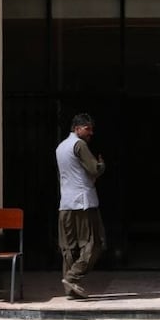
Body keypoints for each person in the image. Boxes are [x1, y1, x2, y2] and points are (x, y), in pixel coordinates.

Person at [55, 113, 106, 299]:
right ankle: (72, 276)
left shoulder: (60, 147)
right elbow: (93, 169)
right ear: (77, 128)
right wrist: (101, 165)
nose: (90, 133)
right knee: (94, 243)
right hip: (83, 202)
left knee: (69, 247)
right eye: (87, 128)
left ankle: (70, 289)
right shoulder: (79, 144)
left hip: (66, 203)